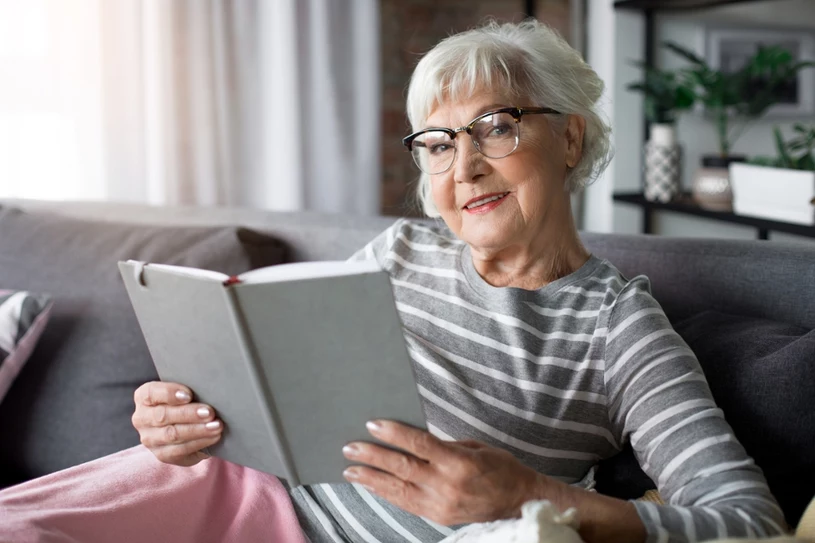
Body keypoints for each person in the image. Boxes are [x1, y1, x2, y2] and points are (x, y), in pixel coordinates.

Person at [131, 20, 787, 543]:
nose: (464, 166)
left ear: (568, 139)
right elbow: (274, 396)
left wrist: (531, 497)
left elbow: (750, 521)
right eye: (439, 143)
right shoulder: (399, 249)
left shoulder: (619, 327)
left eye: (495, 127)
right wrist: (187, 419)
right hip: (232, 495)